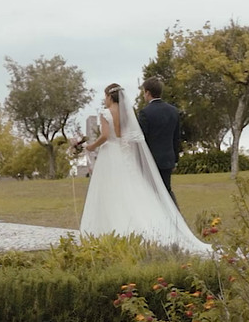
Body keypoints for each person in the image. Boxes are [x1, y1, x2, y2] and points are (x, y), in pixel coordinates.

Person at [79, 83, 209, 254]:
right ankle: (165, 224)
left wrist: (90, 147)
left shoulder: (108, 113)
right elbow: (134, 137)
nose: (105, 99)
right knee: (140, 190)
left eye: (105, 96)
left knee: (111, 191)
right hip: (134, 155)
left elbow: (105, 136)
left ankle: (113, 228)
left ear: (110, 96)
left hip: (111, 154)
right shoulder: (128, 113)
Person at [137, 76, 181, 205]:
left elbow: (142, 138)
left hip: (151, 159)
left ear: (148, 92)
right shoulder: (173, 111)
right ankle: (173, 217)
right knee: (166, 190)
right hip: (168, 158)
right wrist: (175, 160)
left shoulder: (145, 113)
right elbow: (176, 138)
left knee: (151, 193)